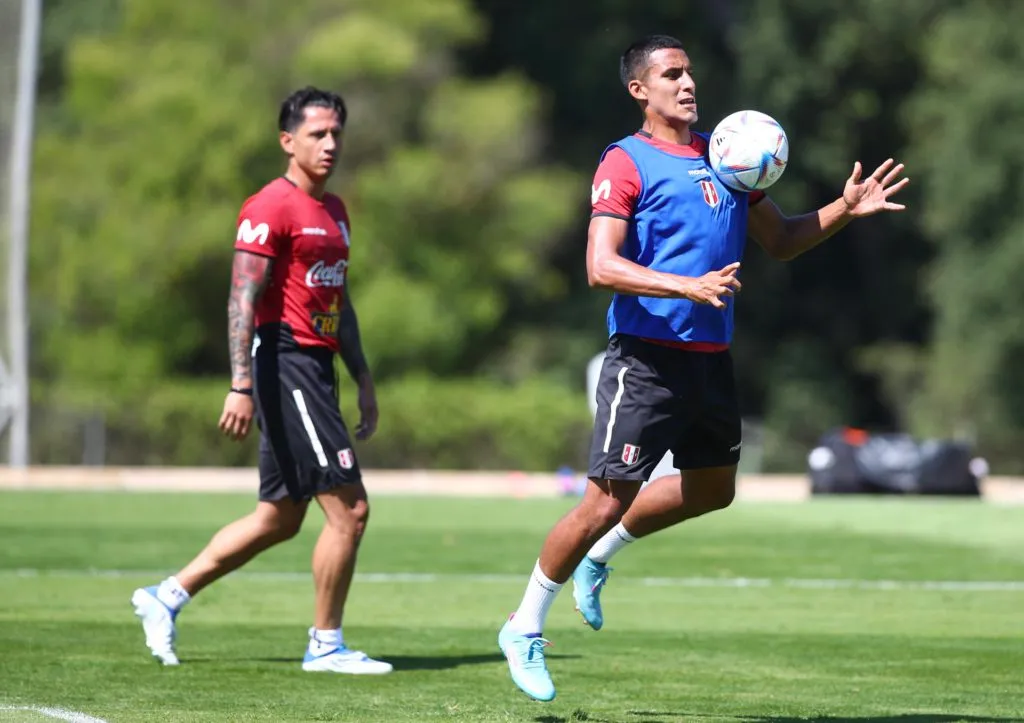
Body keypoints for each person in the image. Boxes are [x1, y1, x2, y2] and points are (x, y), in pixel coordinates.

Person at [498, 35, 908, 702]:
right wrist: (683, 286)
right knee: (604, 498)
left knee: (714, 488)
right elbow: (600, 265)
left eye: (690, 72)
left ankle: (599, 559)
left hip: (709, 359)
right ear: (640, 90)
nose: (688, 83)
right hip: (645, 359)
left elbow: (782, 240)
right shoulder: (625, 162)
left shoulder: (727, 155)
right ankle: (523, 626)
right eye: (671, 74)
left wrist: (844, 209)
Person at [131, 86, 392, 675]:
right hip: (285, 362)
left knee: (279, 517)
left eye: (336, 133)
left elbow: (339, 301)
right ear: (287, 141)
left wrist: (364, 379)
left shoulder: (336, 211)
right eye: (317, 134)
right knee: (349, 511)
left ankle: (165, 597)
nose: (330, 144)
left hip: (317, 368)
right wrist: (241, 384)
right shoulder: (268, 206)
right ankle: (325, 646)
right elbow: (241, 299)